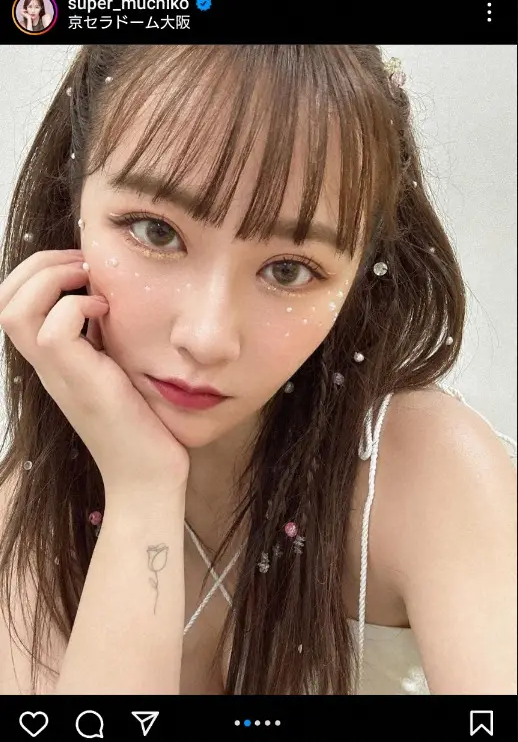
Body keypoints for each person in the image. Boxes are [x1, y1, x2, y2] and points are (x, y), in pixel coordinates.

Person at [0, 45, 516, 696]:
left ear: (358, 279)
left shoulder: (425, 472)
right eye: (155, 232)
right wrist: (142, 488)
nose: (207, 337)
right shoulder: (29, 507)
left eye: (288, 270)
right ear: (71, 205)